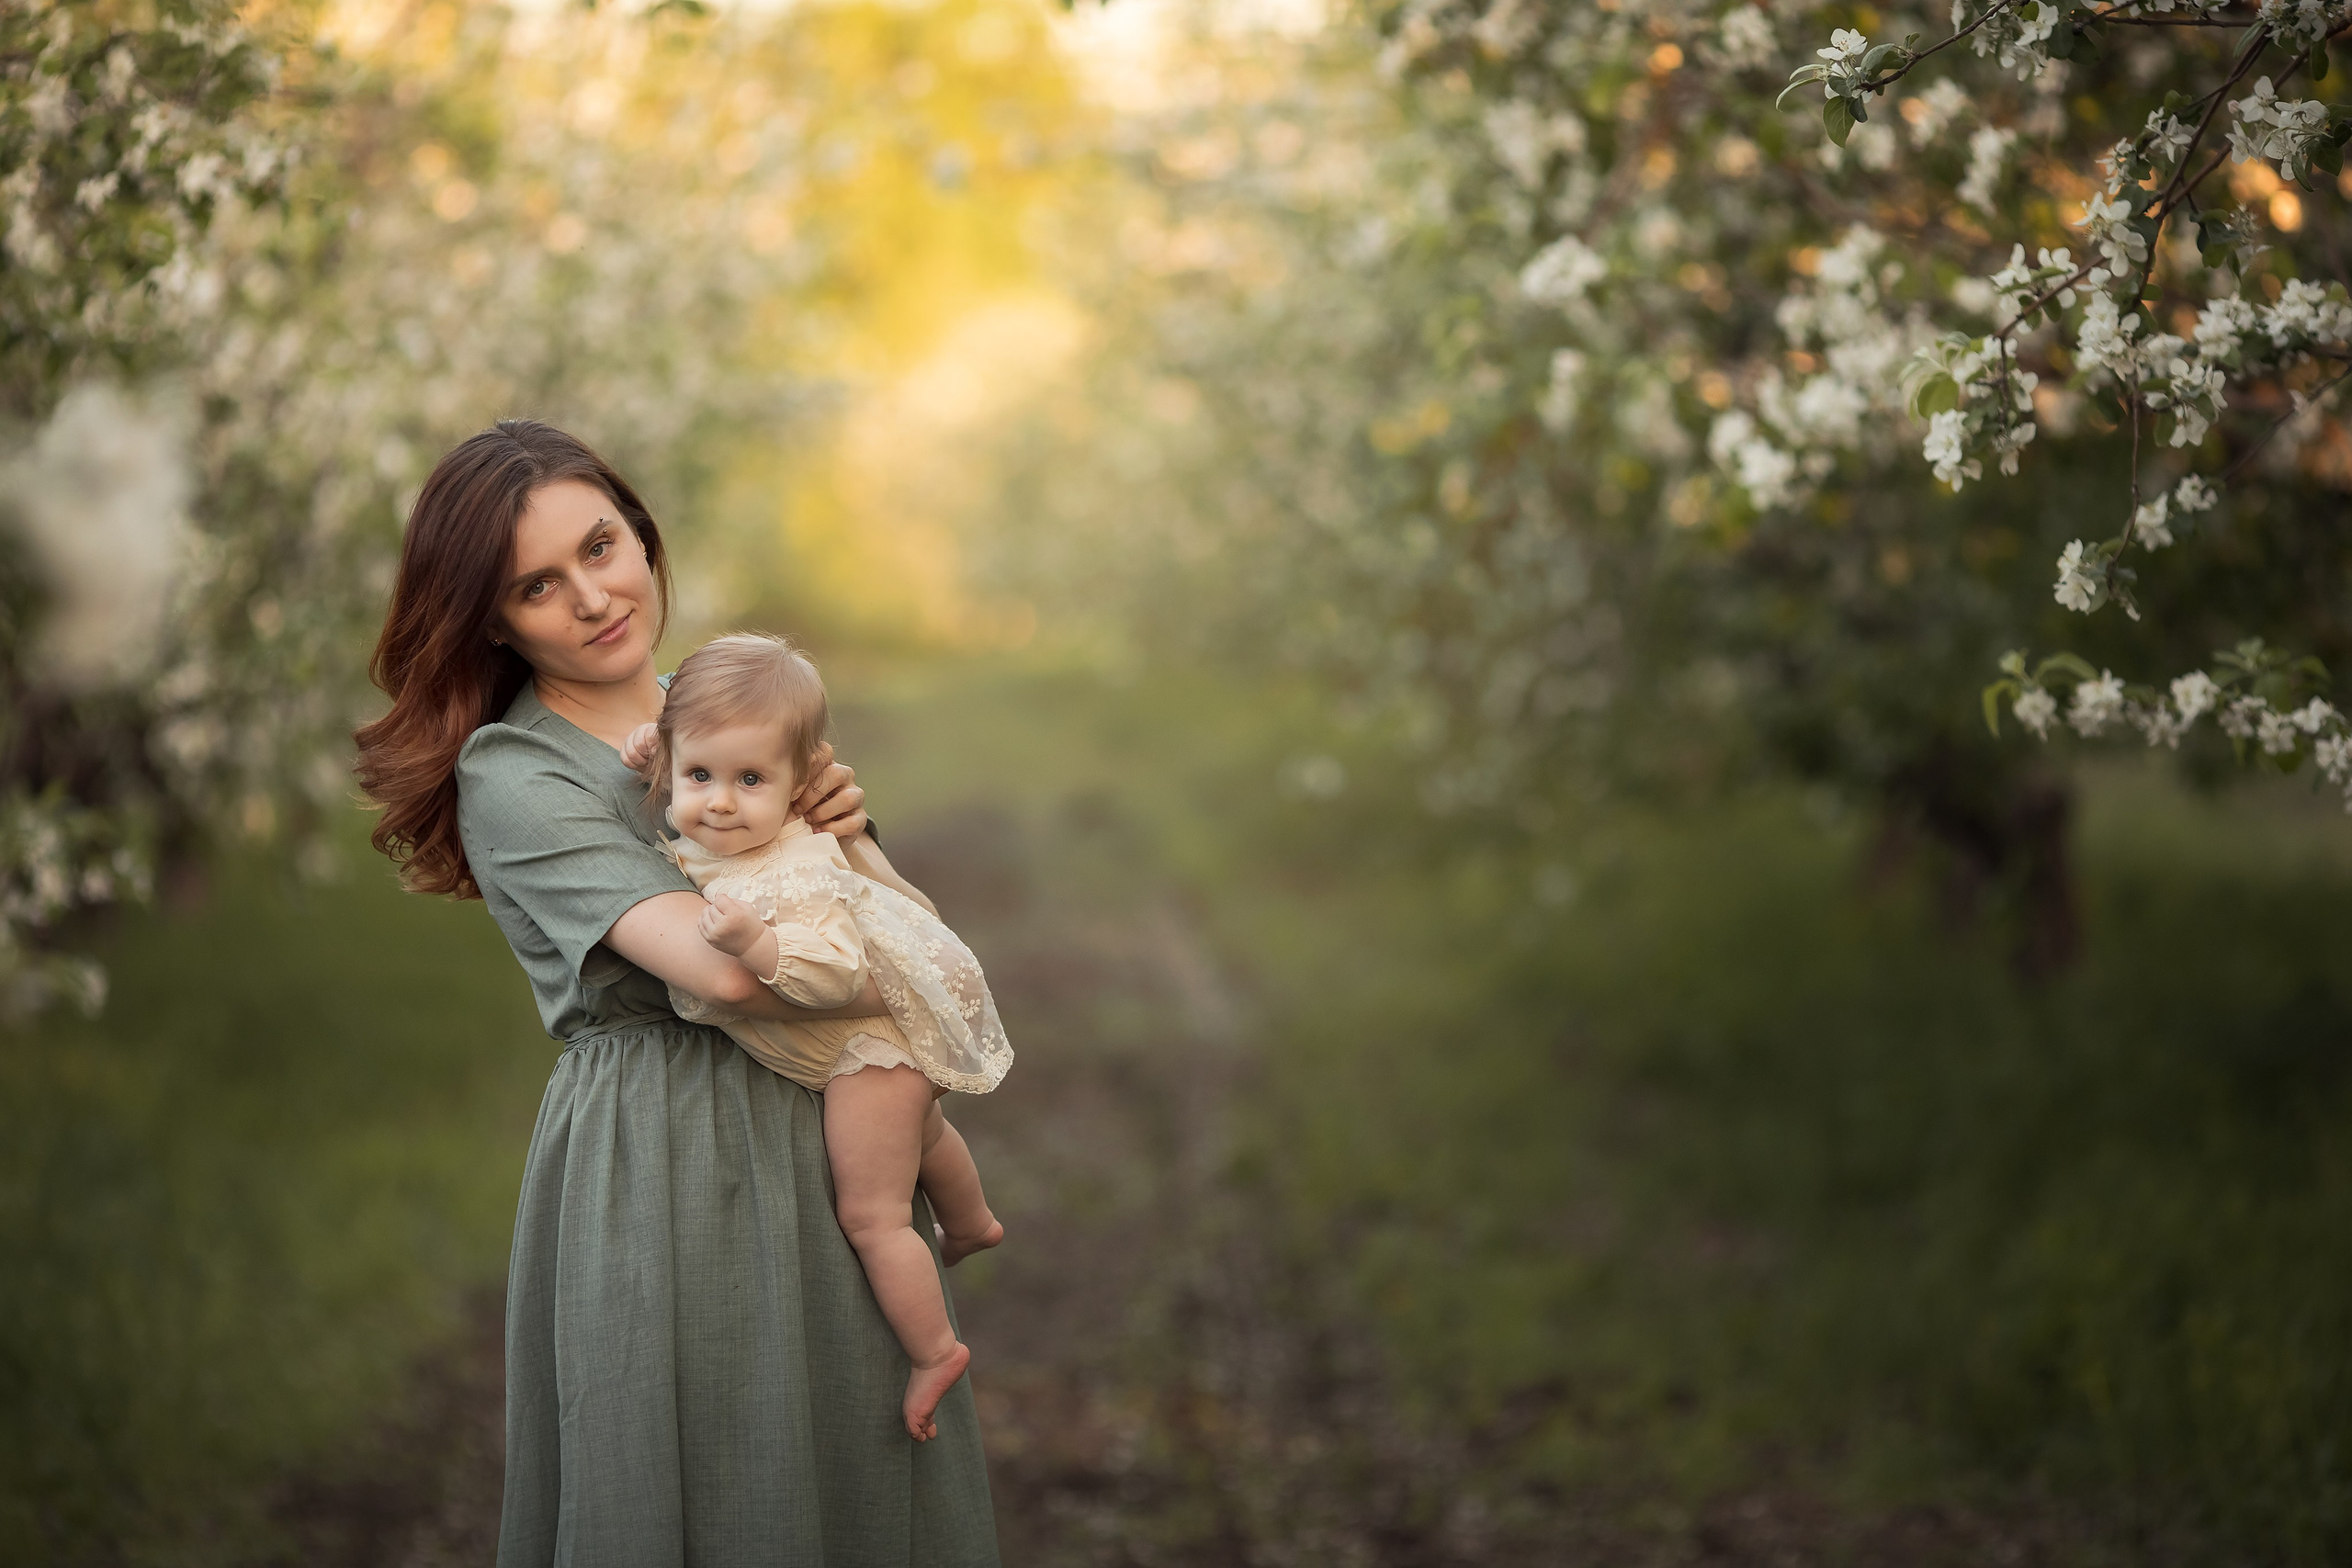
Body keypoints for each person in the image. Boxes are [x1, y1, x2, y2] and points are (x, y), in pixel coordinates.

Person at [353, 420, 999, 1566]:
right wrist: (801, 856)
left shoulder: (731, 712)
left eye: (601, 547)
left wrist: (855, 846)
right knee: (699, 1478)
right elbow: (729, 977)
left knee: (857, 1458)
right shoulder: (516, 773)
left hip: (822, 1130)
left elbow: (906, 941)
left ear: (639, 533)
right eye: (537, 587)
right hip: (665, 1150)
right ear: (494, 620)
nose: (593, 597)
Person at [622, 632, 1012, 1443]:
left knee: (872, 1214)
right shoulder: (726, 827)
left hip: (861, 1054)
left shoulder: (794, 870)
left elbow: (832, 972)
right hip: (879, 1055)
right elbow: (683, 759)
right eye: (699, 776)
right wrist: (652, 753)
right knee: (922, 1129)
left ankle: (934, 1350)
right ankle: (972, 1221)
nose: (719, 802)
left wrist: (755, 948)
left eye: (750, 781)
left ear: (803, 787)